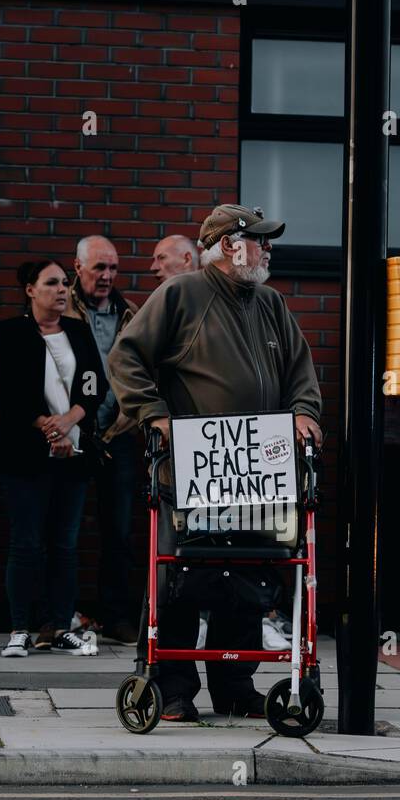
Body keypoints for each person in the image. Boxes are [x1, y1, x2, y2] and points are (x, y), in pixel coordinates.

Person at [108, 202, 322, 721]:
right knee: (179, 577)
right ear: (230, 245)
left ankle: (234, 685)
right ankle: (173, 688)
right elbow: (125, 356)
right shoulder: (182, 293)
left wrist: (304, 412)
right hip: (193, 469)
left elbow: (300, 372)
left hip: (258, 468)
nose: (268, 249)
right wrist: (153, 413)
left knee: (249, 580)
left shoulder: (270, 302)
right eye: (261, 240)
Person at [0, 259, 107, 659]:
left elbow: (95, 384)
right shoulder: (9, 333)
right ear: (30, 289)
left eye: (65, 283)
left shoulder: (77, 330)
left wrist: (71, 420)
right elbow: (5, 390)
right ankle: (20, 628)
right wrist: (47, 427)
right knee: (26, 544)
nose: (62, 289)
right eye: (52, 283)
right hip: (24, 454)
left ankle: (59, 626)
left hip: (73, 454)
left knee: (65, 545)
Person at [65, 234, 139, 646]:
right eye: (99, 267)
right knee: (64, 528)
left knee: (119, 531)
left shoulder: (131, 314)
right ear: (78, 268)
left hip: (119, 435)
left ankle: (116, 615)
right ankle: (62, 614)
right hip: (72, 433)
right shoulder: (61, 310)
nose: (108, 275)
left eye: (113, 268)